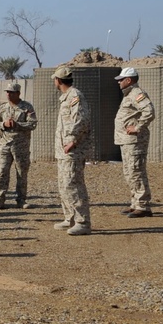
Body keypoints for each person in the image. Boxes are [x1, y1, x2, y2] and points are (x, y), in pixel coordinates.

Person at [52, 66, 92, 236]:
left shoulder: (75, 96)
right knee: (64, 184)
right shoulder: (65, 98)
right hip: (64, 150)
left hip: (73, 149)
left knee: (73, 184)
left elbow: (82, 120)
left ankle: (83, 222)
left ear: (58, 81)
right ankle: (70, 218)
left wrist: (73, 140)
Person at [113, 68, 156, 218]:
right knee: (129, 172)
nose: (119, 82)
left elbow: (149, 111)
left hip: (135, 141)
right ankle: (135, 203)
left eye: (121, 79)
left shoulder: (137, 94)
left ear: (129, 80)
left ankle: (143, 206)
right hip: (127, 141)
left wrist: (137, 127)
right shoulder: (129, 95)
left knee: (136, 171)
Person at [0, 82, 37, 209]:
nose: (8, 94)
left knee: (21, 173)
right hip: (5, 145)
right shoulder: (3, 108)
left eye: (11, 92)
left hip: (21, 146)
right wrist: (3, 125)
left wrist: (18, 125)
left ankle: (21, 200)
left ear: (18, 93)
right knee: (2, 172)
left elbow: (33, 124)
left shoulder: (27, 107)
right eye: (7, 92)